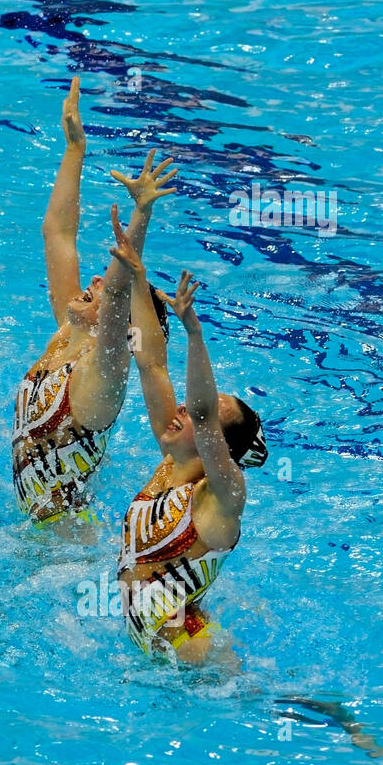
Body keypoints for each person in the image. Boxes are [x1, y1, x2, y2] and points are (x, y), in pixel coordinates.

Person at [12, 77, 179, 535]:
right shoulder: (69, 333)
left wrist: (141, 215)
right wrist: (74, 151)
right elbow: (57, 235)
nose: (93, 280)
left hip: (66, 547)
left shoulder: (103, 375)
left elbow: (124, 290)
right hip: (36, 535)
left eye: (105, 288)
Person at [118, 269, 268, 663]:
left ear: (215, 444)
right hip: (155, 653)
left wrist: (195, 333)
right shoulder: (170, 466)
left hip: (197, 664)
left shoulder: (220, 499)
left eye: (203, 417)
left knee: (268, 703)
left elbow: (202, 417)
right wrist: (137, 278)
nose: (182, 408)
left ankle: (341, 721)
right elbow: (152, 366)